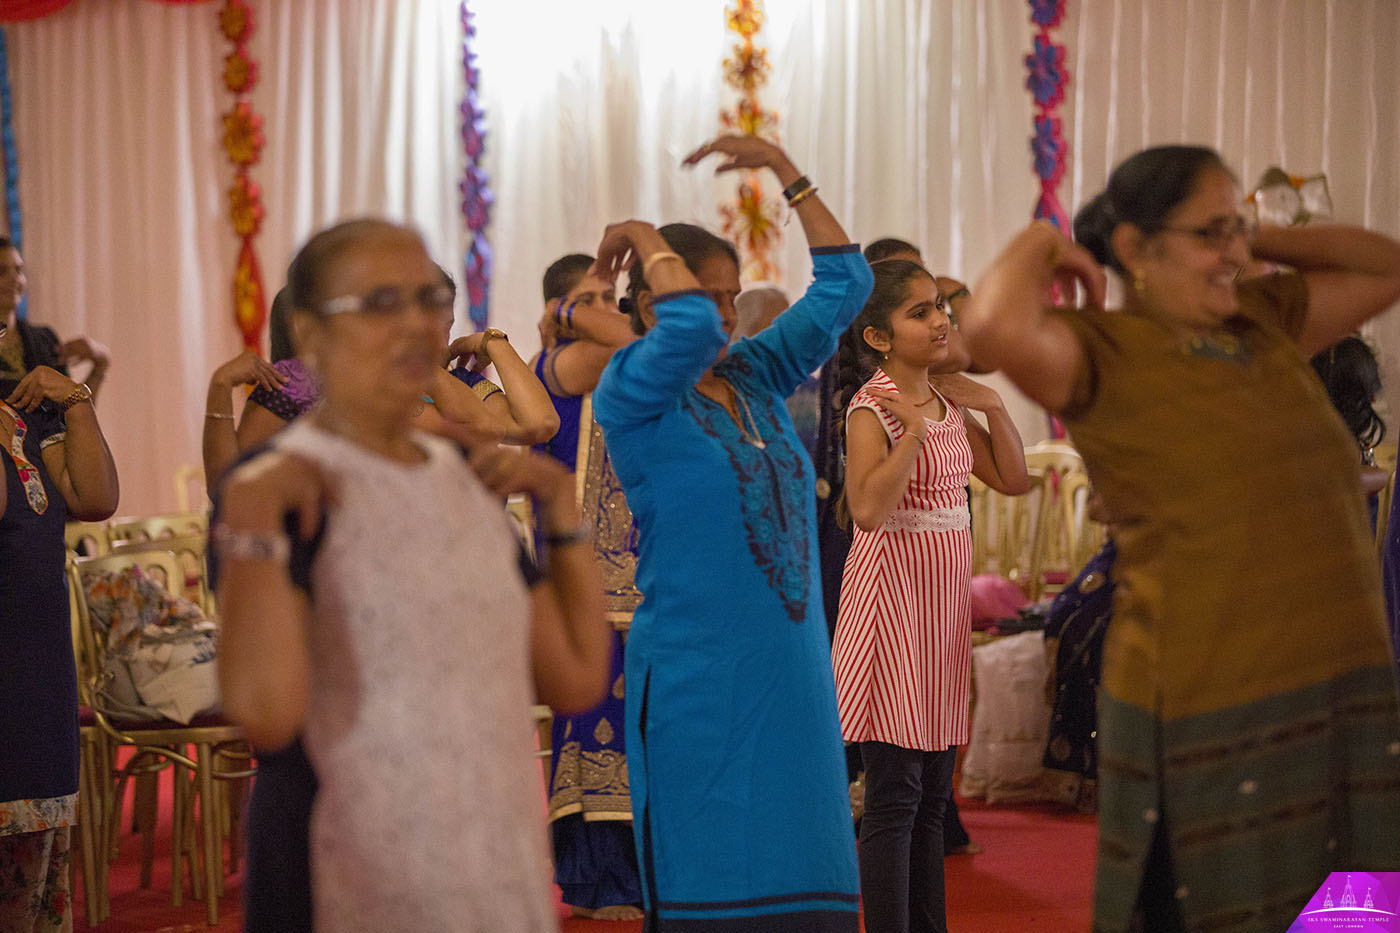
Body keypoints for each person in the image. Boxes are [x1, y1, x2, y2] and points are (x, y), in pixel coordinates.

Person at [960, 144, 1400, 931]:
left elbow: (1386, 266)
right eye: (1208, 233)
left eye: (1235, 230)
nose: (1231, 253)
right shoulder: (1098, 352)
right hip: (1211, 698)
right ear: (1134, 246)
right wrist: (1048, 242)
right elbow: (990, 323)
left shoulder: (1265, 322)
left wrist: (1251, 236)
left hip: (1336, 688)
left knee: (1345, 913)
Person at [212, 218, 612, 931]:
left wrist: (556, 502)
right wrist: (251, 527)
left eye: (428, 300)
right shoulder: (278, 484)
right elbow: (267, 715)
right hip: (349, 867)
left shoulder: (466, 474)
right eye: (378, 304)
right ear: (309, 334)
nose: (415, 325)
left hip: (489, 858)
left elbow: (574, 675)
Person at [591, 134, 873, 930]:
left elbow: (847, 282)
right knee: (712, 887)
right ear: (644, 305)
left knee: (809, 882)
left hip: (790, 676)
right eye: (702, 295)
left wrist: (785, 169)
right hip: (698, 680)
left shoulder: (755, 376)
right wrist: (643, 236)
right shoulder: (634, 391)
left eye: (731, 294)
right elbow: (682, 333)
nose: (720, 313)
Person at [831, 259, 1028, 933]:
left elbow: (1013, 477)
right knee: (895, 795)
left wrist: (994, 403)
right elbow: (867, 509)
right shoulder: (873, 407)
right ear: (879, 336)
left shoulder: (948, 400)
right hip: (892, 605)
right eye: (920, 311)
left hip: (939, 613)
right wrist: (910, 434)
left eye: (940, 305)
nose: (941, 318)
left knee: (934, 799)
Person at [530, 253, 643, 921]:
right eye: (588, 298)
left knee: (643, 728)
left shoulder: (617, 366)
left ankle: (641, 871)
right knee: (597, 720)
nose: (608, 307)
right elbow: (629, 338)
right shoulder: (568, 365)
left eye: (612, 295)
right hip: (584, 577)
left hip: (641, 572)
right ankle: (600, 877)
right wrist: (568, 319)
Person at [203, 281, 558, 489]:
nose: (434, 335)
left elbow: (532, 425)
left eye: (444, 324)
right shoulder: (296, 383)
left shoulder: (457, 382)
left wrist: (491, 342)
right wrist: (220, 387)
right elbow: (230, 490)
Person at [0, 363, 119, 929]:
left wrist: (75, 401)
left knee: (37, 882)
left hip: (37, 671)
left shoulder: (20, 405)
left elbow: (95, 497)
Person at [0, 235, 111, 400]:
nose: (15, 279)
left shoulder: (45, 339)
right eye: (1, 272)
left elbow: (74, 418)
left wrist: (100, 364)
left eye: (19, 270)